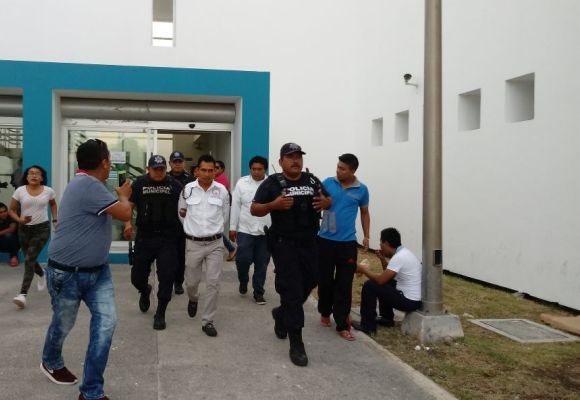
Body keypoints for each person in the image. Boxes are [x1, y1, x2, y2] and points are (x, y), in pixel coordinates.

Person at [41, 139, 132, 400]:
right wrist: (124, 195)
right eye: (109, 160)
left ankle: (91, 392)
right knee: (63, 323)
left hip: (98, 272)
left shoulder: (91, 185)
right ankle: (50, 360)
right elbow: (125, 213)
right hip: (66, 273)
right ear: (104, 162)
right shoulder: (88, 185)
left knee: (106, 324)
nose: (110, 164)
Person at [251, 143, 331, 367]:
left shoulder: (312, 180)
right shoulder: (272, 182)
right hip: (285, 245)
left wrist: (327, 202)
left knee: (312, 281)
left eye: (298, 156)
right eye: (290, 157)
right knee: (293, 291)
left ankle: (281, 313)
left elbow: (328, 200)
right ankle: (297, 343)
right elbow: (254, 209)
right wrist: (273, 205)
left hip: (310, 243)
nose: (295, 160)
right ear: (281, 161)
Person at [123, 155, 182, 330]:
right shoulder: (139, 184)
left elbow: (186, 208)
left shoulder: (175, 186)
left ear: (165, 169)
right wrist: (128, 224)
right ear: (148, 169)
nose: (158, 172)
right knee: (137, 277)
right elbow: (129, 206)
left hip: (168, 238)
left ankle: (160, 313)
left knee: (167, 277)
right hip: (145, 237)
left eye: (162, 169)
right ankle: (145, 290)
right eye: (155, 169)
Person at [318, 153, 370, 341]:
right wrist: (323, 203)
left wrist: (367, 235)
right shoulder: (328, 183)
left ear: (353, 171)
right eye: (338, 166)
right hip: (325, 240)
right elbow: (317, 204)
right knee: (324, 281)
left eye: (342, 168)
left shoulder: (362, 190)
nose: (338, 171)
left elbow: (364, 213)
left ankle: (342, 324)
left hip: (347, 243)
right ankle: (325, 311)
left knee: (344, 284)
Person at [179, 154, 229, 337]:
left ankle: (208, 320)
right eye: (204, 170)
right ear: (197, 171)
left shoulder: (222, 191)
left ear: (215, 171)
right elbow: (181, 214)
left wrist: (213, 231)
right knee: (191, 282)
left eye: (211, 170)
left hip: (215, 243)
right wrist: (192, 229)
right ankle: (193, 299)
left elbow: (225, 216)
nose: (208, 174)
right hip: (193, 243)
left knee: (213, 283)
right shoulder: (188, 190)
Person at [353, 227, 422, 335]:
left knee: (370, 286)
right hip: (414, 299)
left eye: (381, 243)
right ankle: (387, 319)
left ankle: (368, 326)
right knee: (387, 282)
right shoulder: (404, 253)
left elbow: (380, 280)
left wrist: (363, 270)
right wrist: (382, 259)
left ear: (386, 243)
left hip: (409, 302)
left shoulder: (399, 257)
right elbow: (388, 274)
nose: (380, 246)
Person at [9, 165, 57, 308]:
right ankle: (42, 273)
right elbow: (11, 210)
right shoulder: (20, 191)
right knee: (29, 259)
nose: (34, 175)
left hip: (41, 229)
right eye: (31, 173)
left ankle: (22, 294)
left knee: (29, 259)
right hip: (24, 229)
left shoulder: (48, 191)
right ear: (27, 176)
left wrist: (55, 220)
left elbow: (53, 205)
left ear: (42, 178)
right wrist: (20, 220)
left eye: (37, 173)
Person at [229, 156, 271, 305]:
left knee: (262, 264)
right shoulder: (242, 183)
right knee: (242, 260)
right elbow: (235, 206)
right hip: (245, 229)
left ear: (265, 169)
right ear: (250, 169)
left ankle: (258, 293)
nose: (256, 172)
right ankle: (243, 280)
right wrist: (232, 227)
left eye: (259, 169)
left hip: (265, 232)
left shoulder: (272, 184)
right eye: (254, 169)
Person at [168, 150, 195, 295]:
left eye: (180, 162)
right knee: (167, 255)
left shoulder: (191, 180)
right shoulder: (164, 178)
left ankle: (178, 282)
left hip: (184, 223)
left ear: (184, 163)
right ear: (170, 163)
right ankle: (168, 281)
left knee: (181, 255)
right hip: (168, 222)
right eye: (175, 162)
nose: (177, 164)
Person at [215, 160, 237, 261]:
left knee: (217, 231)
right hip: (218, 209)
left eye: (217, 168)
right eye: (214, 167)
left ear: (222, 169)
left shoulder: (221, 179)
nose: (215, 169)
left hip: (220, 209)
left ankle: (231, 248)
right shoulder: (216, 178)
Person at [0, 202, 20, 266]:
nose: (3, 214)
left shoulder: (11, 216)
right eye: (0, 212)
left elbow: (12, 229)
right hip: (2, 243)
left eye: (5, 211)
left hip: (13, 242)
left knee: (9, 235)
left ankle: (14, 257)